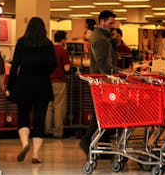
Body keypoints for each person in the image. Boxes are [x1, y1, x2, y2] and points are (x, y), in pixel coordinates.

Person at [8, 17, 58, 165]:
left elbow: (15, 66)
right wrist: (44, 72)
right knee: (39, 119)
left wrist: (10, 86)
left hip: (24, 83)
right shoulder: (48, 44)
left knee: (23, 115)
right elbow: (53, 64)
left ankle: (24, 144)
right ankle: (35, 154)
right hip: (42, 84)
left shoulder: (21, 43)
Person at [80, 10, 118, 153]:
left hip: (101, 81)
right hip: (103, 82)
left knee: (102, 112)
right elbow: (103, 62)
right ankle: (88, 139)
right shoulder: (101, 39)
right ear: (102, 22)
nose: (112, 25)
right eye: (110, 22)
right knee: (103, 112)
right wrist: (117, 72)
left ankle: (102, 141)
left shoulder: (101, 37)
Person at [47, 30, 72, 138]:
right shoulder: (62, 51)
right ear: (62, 40)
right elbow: (67, 68)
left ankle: (47, 130)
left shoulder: (48, 50)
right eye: (65, 39)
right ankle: (57, 132)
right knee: (59, 107)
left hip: (47, 81)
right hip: (59, 81)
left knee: (49, 106)